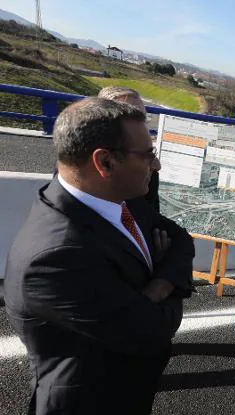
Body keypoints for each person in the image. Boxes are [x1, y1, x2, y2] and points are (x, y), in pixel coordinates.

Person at [4, 97, 195, 415]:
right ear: (105, 162)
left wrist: (157, 286)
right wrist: (167, 280)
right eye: (148, 155)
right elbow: (149, 331)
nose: (156, 165)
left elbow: (180, 240)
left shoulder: (120, 198)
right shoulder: (55, 257)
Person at [97, 86, 161, 212]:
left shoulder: (149, 170)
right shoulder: (82, 168)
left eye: (143, 119)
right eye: (132, 119)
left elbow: (152, 216)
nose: (157, 166)